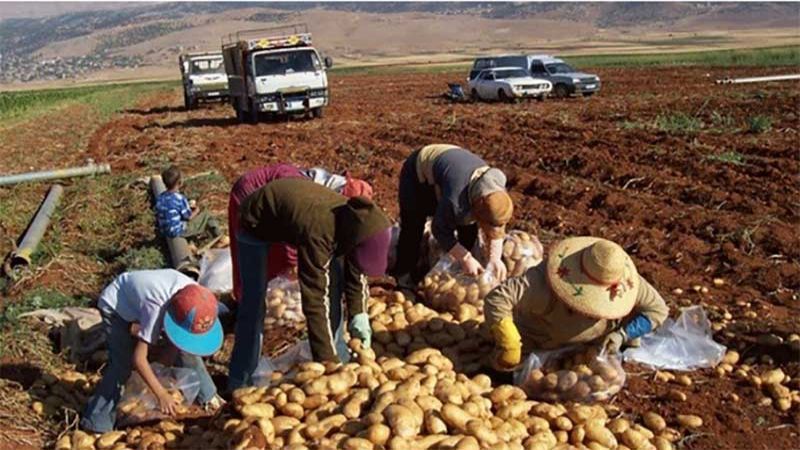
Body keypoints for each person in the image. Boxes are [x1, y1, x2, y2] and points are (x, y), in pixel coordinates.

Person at [228, 178, 391, 390]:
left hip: (291, 214)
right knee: (254, 302)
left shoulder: (355, 225)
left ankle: (339, 354)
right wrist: (328, 366)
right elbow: (314, 298)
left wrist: (359, 312)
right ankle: (240, 381)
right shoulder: (319, 230)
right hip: (255, 221)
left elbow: (356, 270)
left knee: (333, 287)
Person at [484, 237, 670, 370]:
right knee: (507, 369)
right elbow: (498, 298)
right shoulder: (541, 282)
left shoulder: (626, 281)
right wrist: (510, 342)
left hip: (593, 349)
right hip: (540, 343)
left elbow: (658, 310)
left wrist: (623, 335)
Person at [81, 269, 224, 432]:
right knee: (122, 365)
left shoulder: (198, 297)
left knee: (186, 349)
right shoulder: (155, 309)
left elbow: (178, 342)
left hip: (143, 296)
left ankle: (209, 398)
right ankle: (96, 422)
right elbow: (139, 359)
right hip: (115, 306)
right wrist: (161, 394)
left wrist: (160, 371)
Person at [228, 164, 374, 301]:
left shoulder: (322, 194)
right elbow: (291, 225)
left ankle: (267, 297)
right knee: (260, 253)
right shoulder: (305, 194)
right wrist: (294, 263)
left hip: (278, 204)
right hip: (250, 193)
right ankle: (251, 301)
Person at [394, 144, 514, 296]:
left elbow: (496, 223)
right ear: (475, 207)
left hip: (452, 170)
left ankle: (458, 278)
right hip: (417, 172)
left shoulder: (495, 188)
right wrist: (465, 258)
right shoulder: (456, 200)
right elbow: (439, 229)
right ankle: (404, 283)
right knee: (413, 227)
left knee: (468, 231)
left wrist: (495, 258)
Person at [155, 165, 221, 241]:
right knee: (207, 215)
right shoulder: (179, 198)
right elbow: (188, 217)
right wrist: (197, 210)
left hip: (164, 230)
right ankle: (219, 238)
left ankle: (198, 238)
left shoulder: (160, 197)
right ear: (180, 182)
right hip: (177, 231)